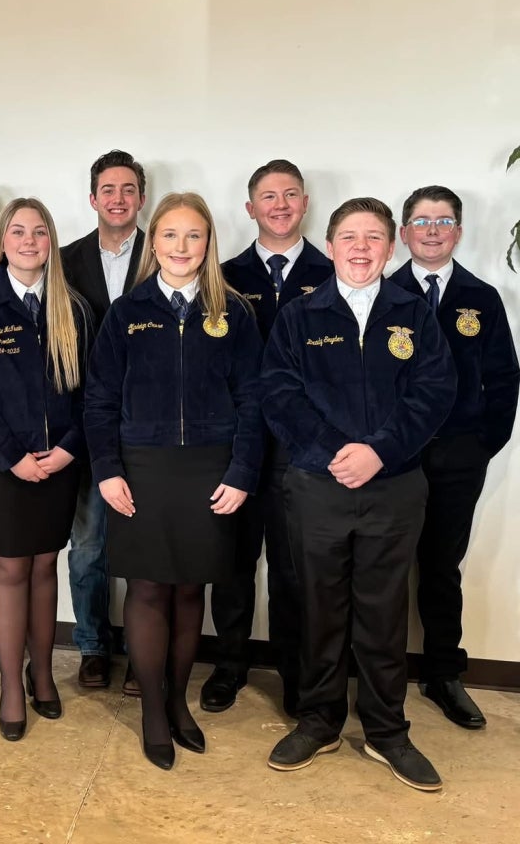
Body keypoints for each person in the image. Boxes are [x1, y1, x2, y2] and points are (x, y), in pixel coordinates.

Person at [261, 197, 456, 792]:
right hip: (317, 486)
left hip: (394, 487)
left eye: (374, 237)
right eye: (349, 236)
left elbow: (434, 391)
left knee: (382, 609)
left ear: (391, 247)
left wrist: (380, 451)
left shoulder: (414, 313)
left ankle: (386, 731)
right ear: (331, 245)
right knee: (319, 605)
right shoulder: (300, 315)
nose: (362, 248)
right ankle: (318, 720)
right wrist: (334, 454)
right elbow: (279, 393)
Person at [85, 191, 264, 770]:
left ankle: (178, 700)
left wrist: (241, 472)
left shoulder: (233, 312)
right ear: (152, 241)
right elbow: (99, 401)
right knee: (147, 589)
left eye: (193, 236)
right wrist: (108, 471)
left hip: (211, 470)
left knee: (193, 590)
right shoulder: (126, 311)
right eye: (170, 235)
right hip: (142, 468)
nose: (181, 247)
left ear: (208, 243)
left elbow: (254, 400)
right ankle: (152, 713)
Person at [0, 198, 89, 741]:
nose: (29, 240)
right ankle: (11, 684)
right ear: (2, 240)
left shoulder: (72, 309)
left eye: (39, 232)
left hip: (60, 464)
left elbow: (92, 394)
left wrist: (69, 450)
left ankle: (43, 673)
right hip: (1, 466)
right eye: (17, 231)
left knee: (44, 567)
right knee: (10, 570)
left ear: (51, 241)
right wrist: (13, 457)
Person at [204, 159, 332, 715]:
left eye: (290, 195)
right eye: (268, 197)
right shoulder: (223, 276)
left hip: (301, 452)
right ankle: (228, 667)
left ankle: (295, 677)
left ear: (305, 204)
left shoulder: (332, 275)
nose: (279, 205)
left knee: (291, 570)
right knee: (231, 563)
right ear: (250, 208)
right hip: (235, 448)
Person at [389, 186, 519, 729]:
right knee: (385, 569)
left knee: (442, 569)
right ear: (404, 233)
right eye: (421, 221)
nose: (433, 230)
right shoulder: (380, 291)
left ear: (459, 233)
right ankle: (383, 674)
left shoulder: (481, 298)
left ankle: (444, 673)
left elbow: (505, 377)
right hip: (393, 458)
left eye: (444, 221)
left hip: (457, 458)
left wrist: (479, 445)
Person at [60, 149, 146, 691]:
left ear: (141, 198)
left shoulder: (165, 254)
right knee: (89, 544)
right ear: (93, 199)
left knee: (146, 543)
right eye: (108, 190)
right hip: (87, 423)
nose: (118, 199)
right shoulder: (63, 260)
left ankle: (144, 648)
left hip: (149, 427)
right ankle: (93, 646)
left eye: (128, 189)